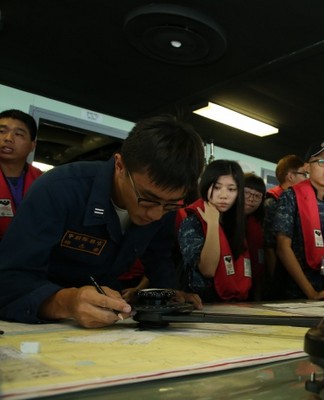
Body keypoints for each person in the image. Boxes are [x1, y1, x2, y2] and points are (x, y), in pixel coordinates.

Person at [0, 114, 204, 328]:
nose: (155, 215)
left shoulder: (163, 205)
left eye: (170, 204)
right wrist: (66, 302)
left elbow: (159, 258)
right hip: (36, 322)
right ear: (119, 166)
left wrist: (168, 295)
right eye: (147, 200)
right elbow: (9, 280)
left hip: (107, 323)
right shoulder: (58, 189)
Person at [273, 141, 324, 300]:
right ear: (308, 167)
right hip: (297, 295)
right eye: (322, 161)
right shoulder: (291, 197)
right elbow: (282, 247)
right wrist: (311, 293)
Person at [178, 160, 251, 303]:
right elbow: (208, 269)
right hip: (201, 305)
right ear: (206, 186)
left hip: (233, 305)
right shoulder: (192, 221)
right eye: (217, 187)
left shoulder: (234, 222)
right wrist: (212, 223)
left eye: (231, 189)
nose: (224, 196)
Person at [262, 154, 308, 299]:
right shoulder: (272, 202)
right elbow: (270, 247)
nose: (306, 179)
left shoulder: (302, 202)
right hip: (282, 276)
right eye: (303, 174)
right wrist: (274, 281)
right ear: (291, 176)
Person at [0, 109, 43, 241]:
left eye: (18, 134)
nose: (8, 139)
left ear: (32, 145)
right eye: (1, 131)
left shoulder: (43, 182)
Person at [243, 172, 267, 300]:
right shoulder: (223, 221)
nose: (251, 199)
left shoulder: (261, 223)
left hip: (255, 290)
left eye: (257, 196)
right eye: (246, 193)